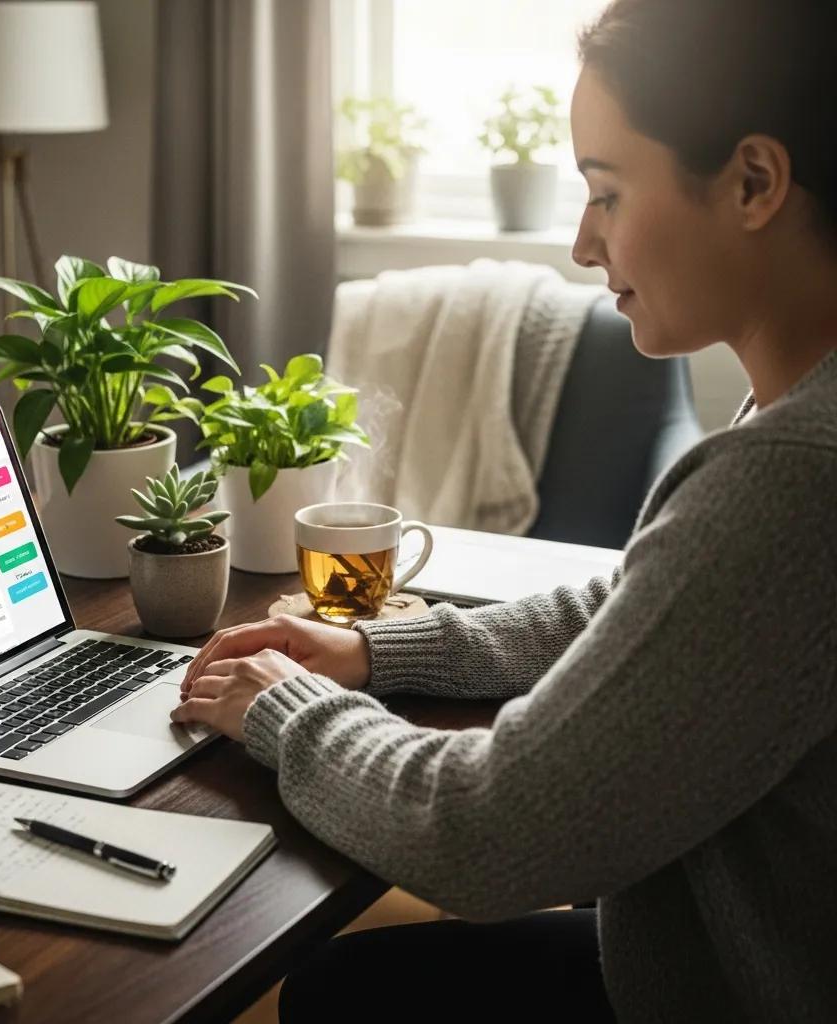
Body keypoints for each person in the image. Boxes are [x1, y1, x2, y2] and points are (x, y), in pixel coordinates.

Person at [170, 0, 837, 1019]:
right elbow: (653, 610)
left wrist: (285, 709)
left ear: (753, 182)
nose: (579, 242)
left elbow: (485, 835)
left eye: (606, 193)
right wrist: (384, 651)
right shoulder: (798, 411)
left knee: (339, 993)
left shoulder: (795, 473)